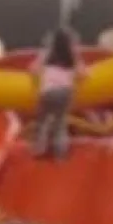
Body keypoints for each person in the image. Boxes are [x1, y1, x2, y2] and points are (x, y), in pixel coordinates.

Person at [30, 26, 87, 160]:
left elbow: (33, 69)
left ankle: (38, 150)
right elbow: (83, 74)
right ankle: (60, 153)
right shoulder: (72, 56)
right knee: (60, 124)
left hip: (48, 92)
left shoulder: (47, 54)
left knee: (42, 121)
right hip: (65, 93)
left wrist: (39, 76)